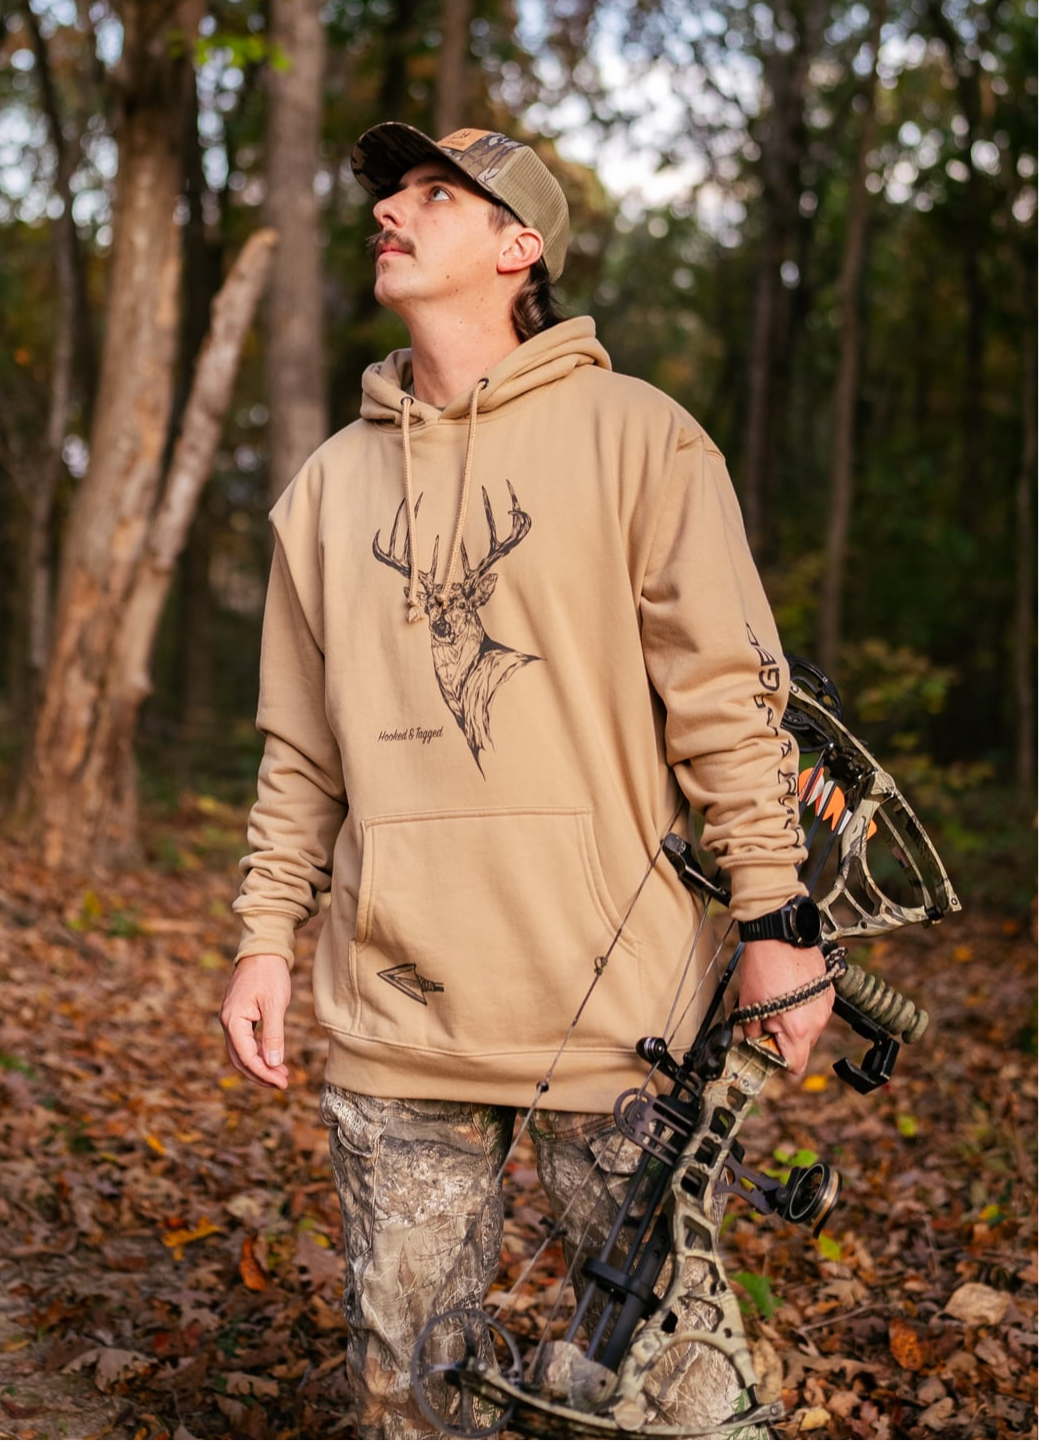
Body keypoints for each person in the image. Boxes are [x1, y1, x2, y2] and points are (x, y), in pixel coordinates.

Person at [220, 122, 834, 1441]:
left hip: (624, 1020)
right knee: (412, 1398)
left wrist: (775, 917)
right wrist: (264, 937)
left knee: (675, 1400)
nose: (391, 211)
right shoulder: (324, 490)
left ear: (520, 248)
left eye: (435, 193)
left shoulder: (641, 440)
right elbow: (302, 752)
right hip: (398, 1014)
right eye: (391, 192)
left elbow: (728, 700)